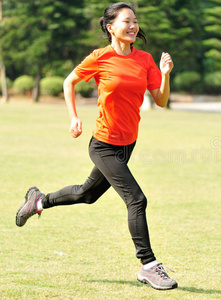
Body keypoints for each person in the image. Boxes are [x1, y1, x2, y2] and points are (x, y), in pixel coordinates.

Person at [15, 2, 177, 291]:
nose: (133, 26)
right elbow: (69, 82)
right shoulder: (100, 58)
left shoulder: (145, 59)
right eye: (126, 21)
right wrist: (74, 117)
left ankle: (38, 200)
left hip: (127, 144)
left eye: (135, 21)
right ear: (110, 26)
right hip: (103, 143)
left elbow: (161, 101)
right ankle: (149, 266)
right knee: (137, 200)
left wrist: (165, 74)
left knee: (86, 194)